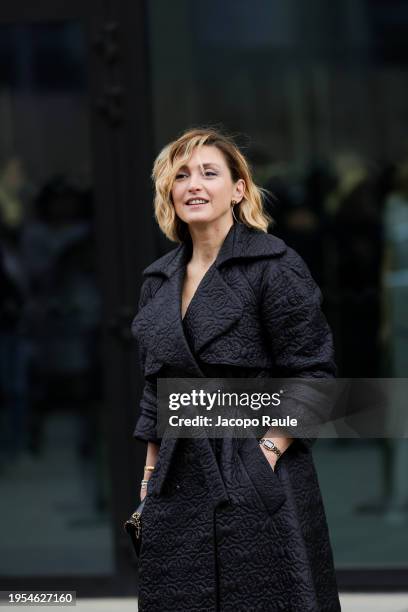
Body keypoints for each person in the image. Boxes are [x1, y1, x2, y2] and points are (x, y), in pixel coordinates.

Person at [130, 127, 341, 611]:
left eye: (209, 173)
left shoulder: (274, 265)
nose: (194, 185)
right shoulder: (158, 280)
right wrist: (147, 482)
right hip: (178, 479)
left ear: (239, 188)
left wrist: (265, 455)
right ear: (169, 191)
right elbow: (155, 393)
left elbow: (314, 375)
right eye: (181, 175)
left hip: (256, 470)